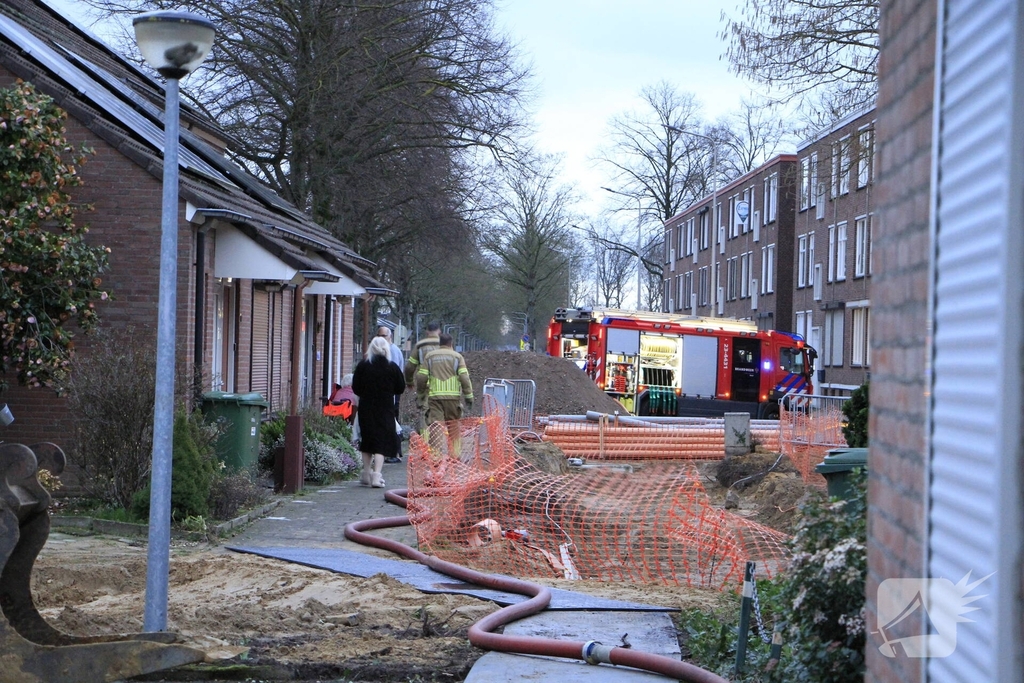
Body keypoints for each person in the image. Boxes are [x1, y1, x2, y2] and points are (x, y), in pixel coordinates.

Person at [351, 337, 405, 487]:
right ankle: (377, 475)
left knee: (367, 439)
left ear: (371, 348)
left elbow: (355, 388)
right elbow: (400, 387)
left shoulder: (363, 366)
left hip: (366, 408)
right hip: (385, 408)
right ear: (386, 348)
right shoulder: (392, 367)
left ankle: (366, 473)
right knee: (381, 441)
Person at [415, 333, 473, 455]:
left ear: (439, 343)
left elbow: (421, 377)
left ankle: (436, 456)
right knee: (454, 426)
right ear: (451, 343)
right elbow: (464, 377)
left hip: (435, 397)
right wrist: (469, 396)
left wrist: (421, 394)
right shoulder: (457, 357)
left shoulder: (430, 357)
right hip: (453, 398)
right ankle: (455, 455)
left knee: (436, 426)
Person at [405, 321, 441, 434]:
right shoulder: (446, 344)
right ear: (439, 331)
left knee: (425, 414)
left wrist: (409, 381)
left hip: (425, 384)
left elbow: (410, 366)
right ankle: (437, 447)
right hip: (443, 385)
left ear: (427, 332)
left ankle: (424, 446)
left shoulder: (420, 345)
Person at [377, 325, 405, 460]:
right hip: (389, 393)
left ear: (390, 337)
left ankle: (394, 452)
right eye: (379, 336)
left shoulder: (391, 351)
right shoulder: (387, 350)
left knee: (392, 422)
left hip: (391, 393)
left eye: (383, 336)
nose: (381, 339)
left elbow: (391, 374)